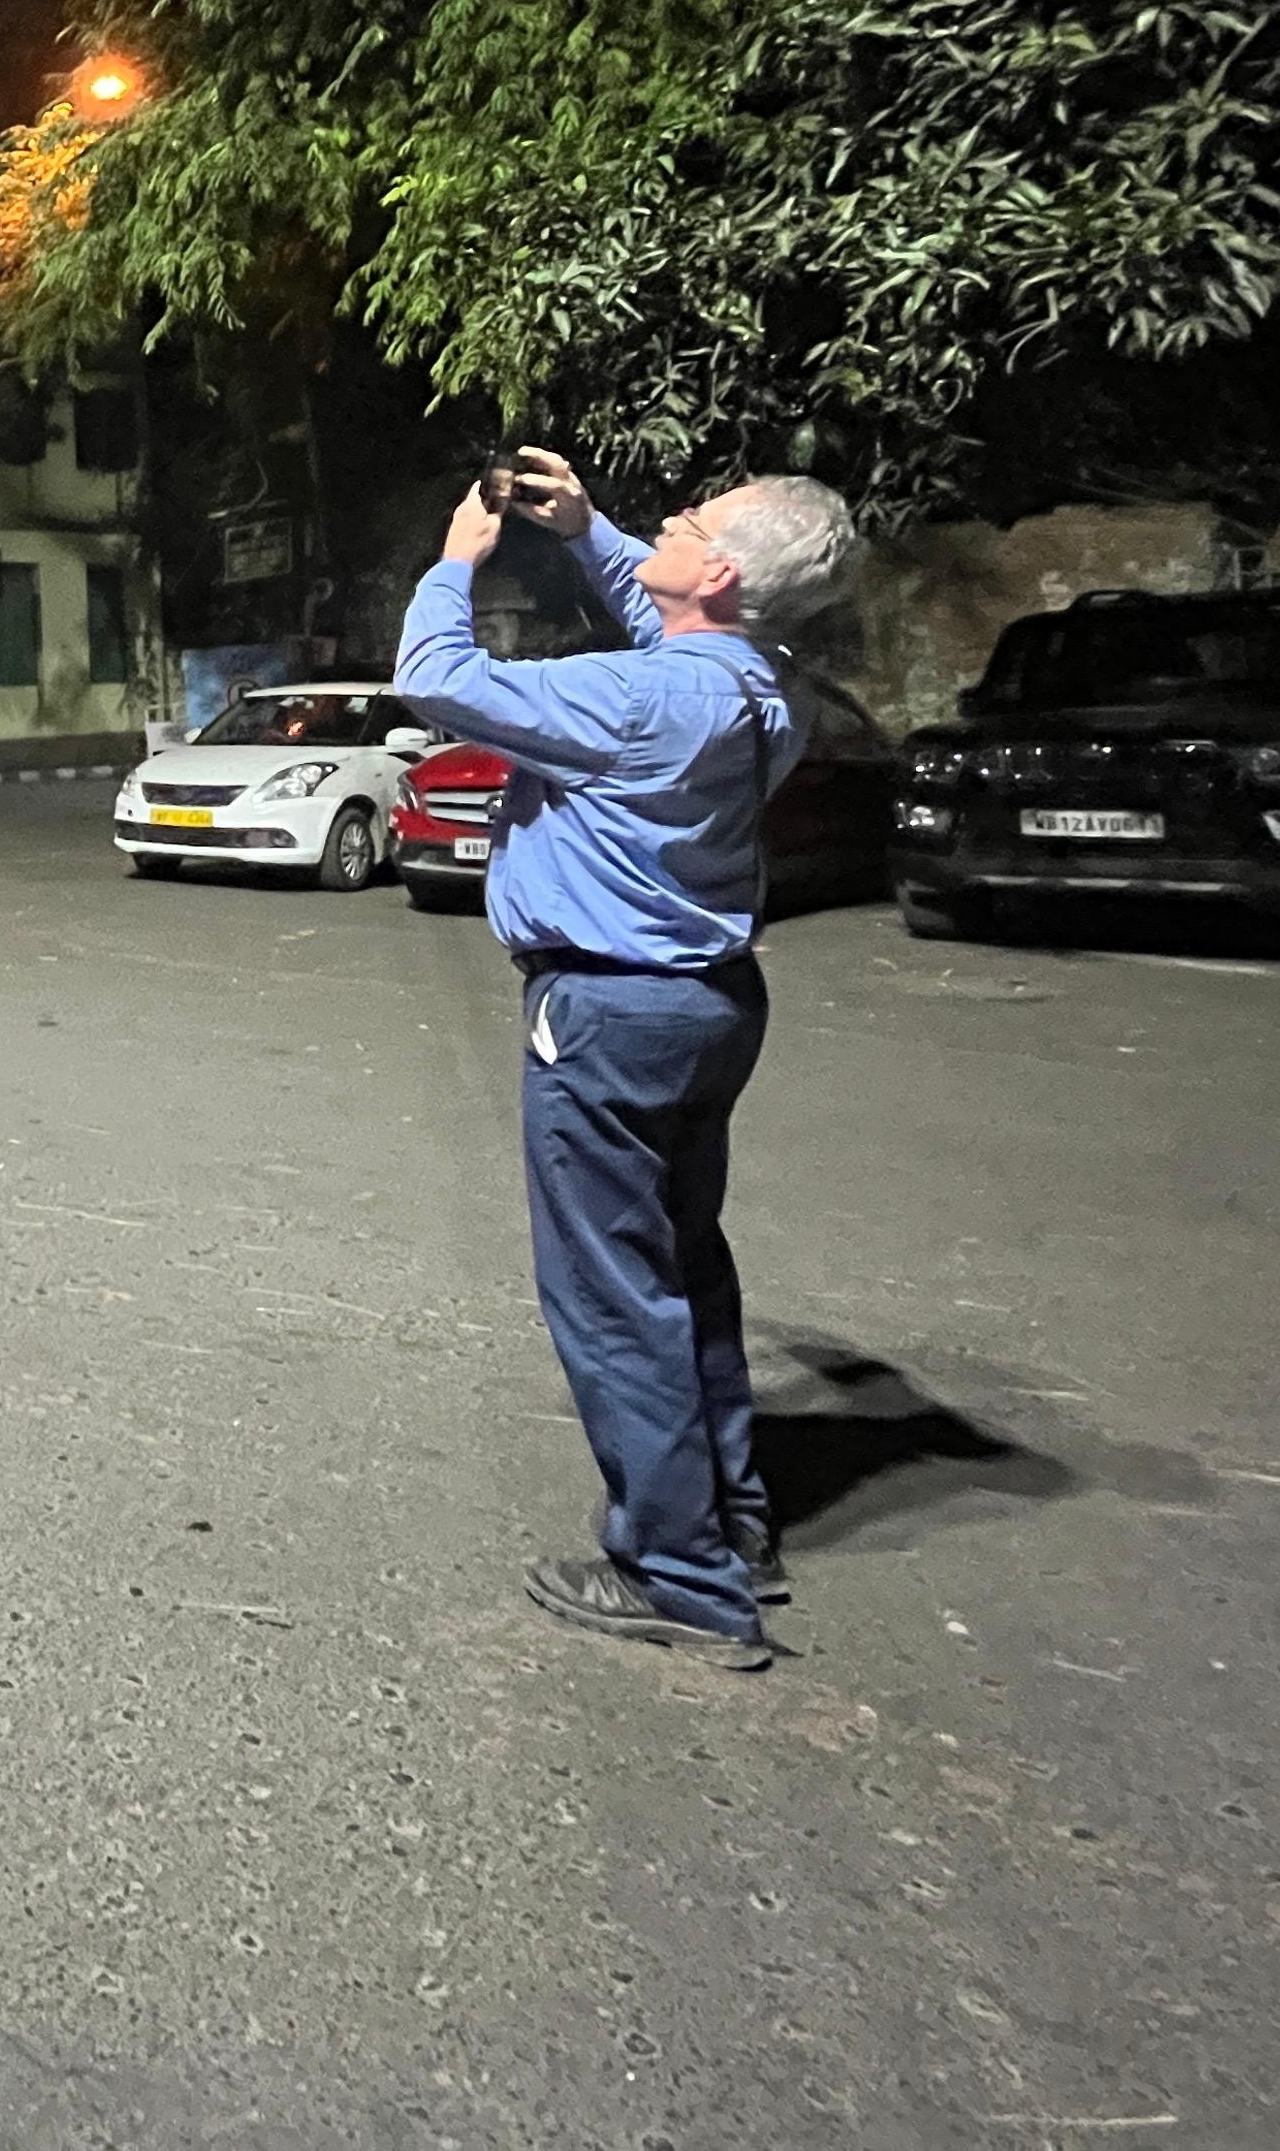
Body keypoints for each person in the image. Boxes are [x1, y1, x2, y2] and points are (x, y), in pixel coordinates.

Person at [395, 449, 859, 1672]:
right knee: (685, 1270)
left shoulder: (641, 698)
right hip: (705, 1006)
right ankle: (732, 1522)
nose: (669, 524)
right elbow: (685, 639)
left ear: (721, 575)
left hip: (607, 1014)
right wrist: (591, 533)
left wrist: (457, 564)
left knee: (614, 1296)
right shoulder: (764, 686)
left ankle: (679, 1574)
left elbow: (436, 679)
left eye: (689, 523)